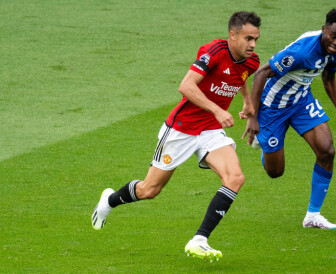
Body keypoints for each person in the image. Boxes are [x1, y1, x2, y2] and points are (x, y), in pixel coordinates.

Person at [92, 11, 261, 262]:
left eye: (256, 39)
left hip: (211, 130)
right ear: (232, 35)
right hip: (181, 129)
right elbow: (186, 86)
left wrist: (248, 103)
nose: (253, 44)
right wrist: (217, 108)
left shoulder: (251, 61)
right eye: (248, 38)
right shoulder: (214, 52)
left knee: (235, 177)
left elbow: (241, 77)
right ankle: (109, 201)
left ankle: (199, 239)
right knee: (150, 189)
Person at [243, 7, 336, 229]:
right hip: (272, 107)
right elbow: (261, 74)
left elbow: (329, 77)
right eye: (333, 36)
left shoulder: (334, 47)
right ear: (324, 30)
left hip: (300, 101)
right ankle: (265, 141)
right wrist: (253, 117)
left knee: (327, 150)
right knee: (275, 172)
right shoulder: (302, 53)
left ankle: (313, 215)